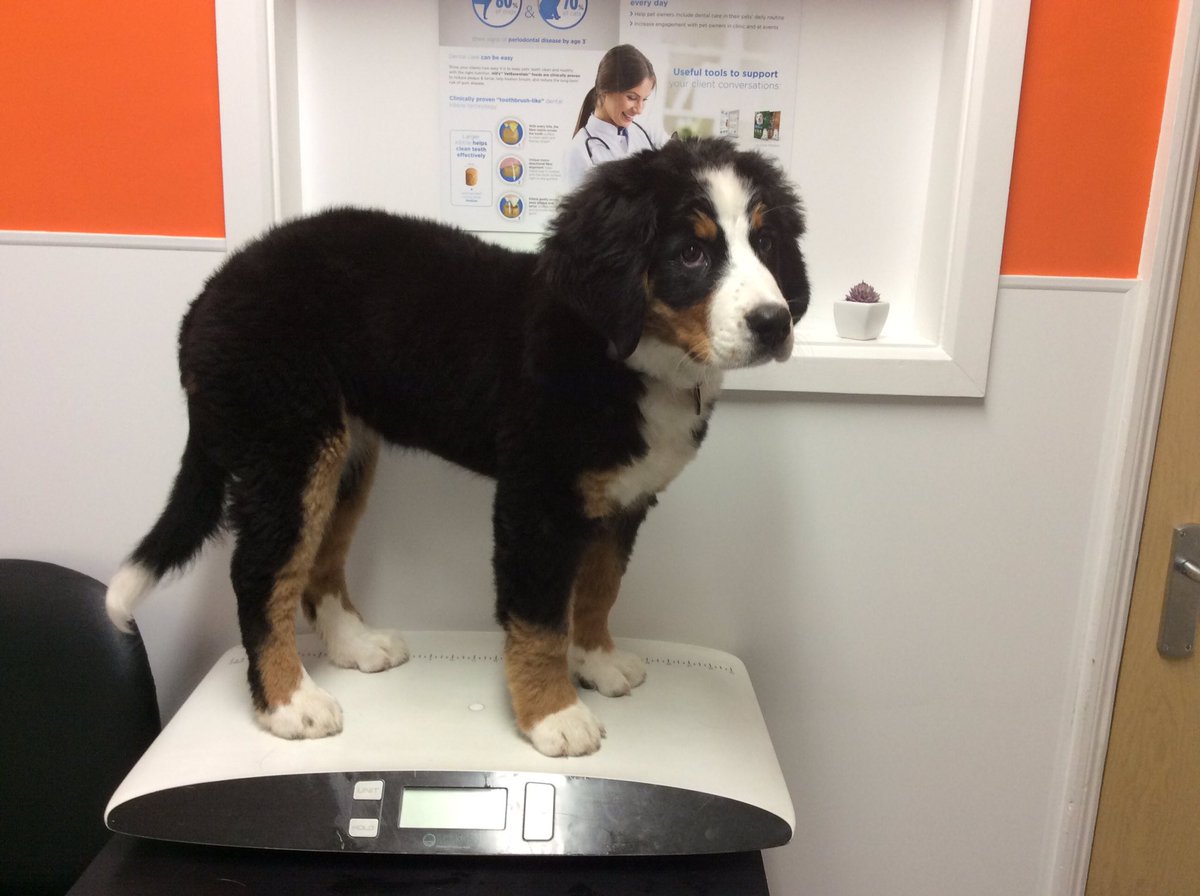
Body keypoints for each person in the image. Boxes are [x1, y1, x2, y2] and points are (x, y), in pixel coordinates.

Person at [561, 44, 670, 192]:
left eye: (644, 100)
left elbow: (684, 163)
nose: (639, 110)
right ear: (605, 89)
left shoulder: (648, 132)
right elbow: (578, 214)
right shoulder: (579, 151)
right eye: (632, 97)